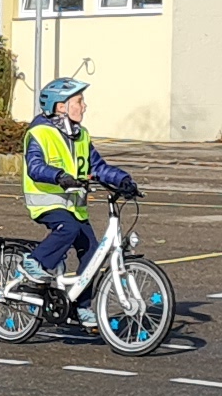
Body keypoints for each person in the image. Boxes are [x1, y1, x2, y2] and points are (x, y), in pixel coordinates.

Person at [22, 75, 136, 299]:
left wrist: (123, 179)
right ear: (61, 107)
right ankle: (34, 262)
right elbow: (35, 167)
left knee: (92, 252)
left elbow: (97, 166)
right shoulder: (39, 133)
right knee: (69, 228)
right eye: (79, 101)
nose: (84, 106)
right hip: (47, 202)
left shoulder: (80, 135)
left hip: (75, 207)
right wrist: (59, 176)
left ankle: (80, 306)